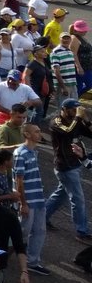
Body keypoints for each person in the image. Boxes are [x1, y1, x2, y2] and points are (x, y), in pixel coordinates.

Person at [44, 98, 92, 241]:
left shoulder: (76, 122)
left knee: (60, 195)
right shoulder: (56, 122)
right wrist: (78, 117)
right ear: (64, 109)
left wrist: (87, 120)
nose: (75, 111)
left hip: (75, 164)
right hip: (64, 166)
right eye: (73, 109)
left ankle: (41, 217)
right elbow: (68, 132)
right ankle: (81, 231)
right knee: (77, 199)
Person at [14, 122, 50, 275]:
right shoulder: (21, 154)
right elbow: (19, 181)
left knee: (39, 230)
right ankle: (3, 254)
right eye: (36, 131)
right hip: (28, 200)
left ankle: (32, 262)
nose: (39, 133)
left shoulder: (33, 152)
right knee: (22, 231)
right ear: (27, 134)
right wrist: (23, 203)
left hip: (38, 198)